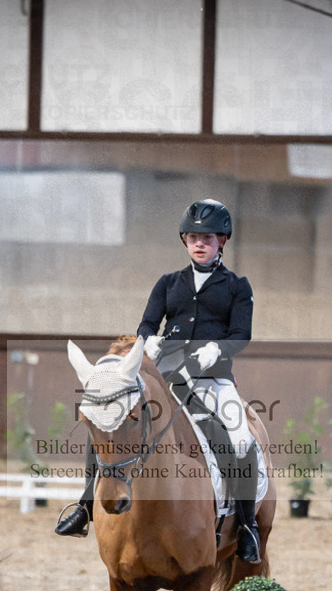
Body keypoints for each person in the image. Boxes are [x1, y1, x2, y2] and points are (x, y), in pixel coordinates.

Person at [56, 198, 261, 563]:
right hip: (165, 375)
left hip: (211, 379)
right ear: (185, 240)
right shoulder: (169, 283)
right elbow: (148, 323)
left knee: (239, 436)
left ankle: (246, 526)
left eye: (208, 237)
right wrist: (148, 339)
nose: (200, 243)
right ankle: (86, 505)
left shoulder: (236, 287)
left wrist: (217, 349)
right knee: (109, 417)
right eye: (194, 237)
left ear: (222, 242)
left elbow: (241, 334)